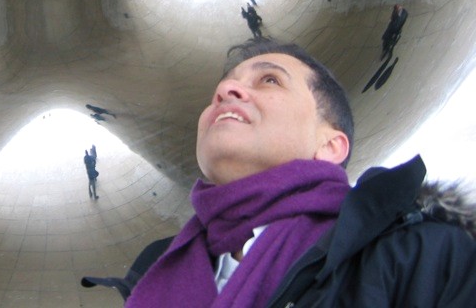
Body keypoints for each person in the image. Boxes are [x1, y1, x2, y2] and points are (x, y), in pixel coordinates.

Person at [83, 38, 476, 306]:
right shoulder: (155, 267)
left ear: (330, 146)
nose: (225, 92)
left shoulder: (424, 256)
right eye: (221, 89)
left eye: (269, 80)